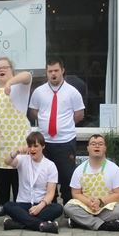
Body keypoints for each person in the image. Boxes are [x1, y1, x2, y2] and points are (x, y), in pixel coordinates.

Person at [29, 58, 85, 204]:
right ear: (46, 72)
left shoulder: (72, 92)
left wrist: (62, 125)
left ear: (62, 71)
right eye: (50, 71)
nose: (53, 74)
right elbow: (34, 112)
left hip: (65, 141)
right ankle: (50, 202)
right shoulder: (38, 92)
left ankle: (68, 203)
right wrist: (45, 122)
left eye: (56, 71)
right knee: (45, 174)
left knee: (67, 175)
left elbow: (79, 115)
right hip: (45, 141)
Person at [0, 57, 32, 217]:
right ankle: (3, 204)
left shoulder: (19, 87)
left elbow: (27, 75)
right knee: (2, 174)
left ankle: (19, 204)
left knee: (17, 172)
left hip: (17, 138)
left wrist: (9, 83)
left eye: (5, 67)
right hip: (0, 139)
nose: (1, 70)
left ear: (12, 69)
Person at [2, 132, 63, 233]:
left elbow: (50, 193)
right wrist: (17, 151)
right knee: (8, 206)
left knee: (58, 208)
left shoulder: (50, 165)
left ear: (43, 146)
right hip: (23, 203)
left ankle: (19, 223)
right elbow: (7, 161)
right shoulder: (22, 159)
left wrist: (40, 206)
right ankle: (41, 225)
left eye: (36, 146)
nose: (32, 149)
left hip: (41, 204)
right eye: (30, 146)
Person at [64, 134, 119, 231]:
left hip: (106, 206)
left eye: (100, 144)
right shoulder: (79, 169)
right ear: (88, 148)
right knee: (68, 207)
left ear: (105, 148)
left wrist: (101, 202)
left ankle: (81, 222)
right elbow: (75, 193)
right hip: (86, 206)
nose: (97, 146)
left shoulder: (114, 168)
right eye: (93, 144)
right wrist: (89, 202)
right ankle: (103, 225)